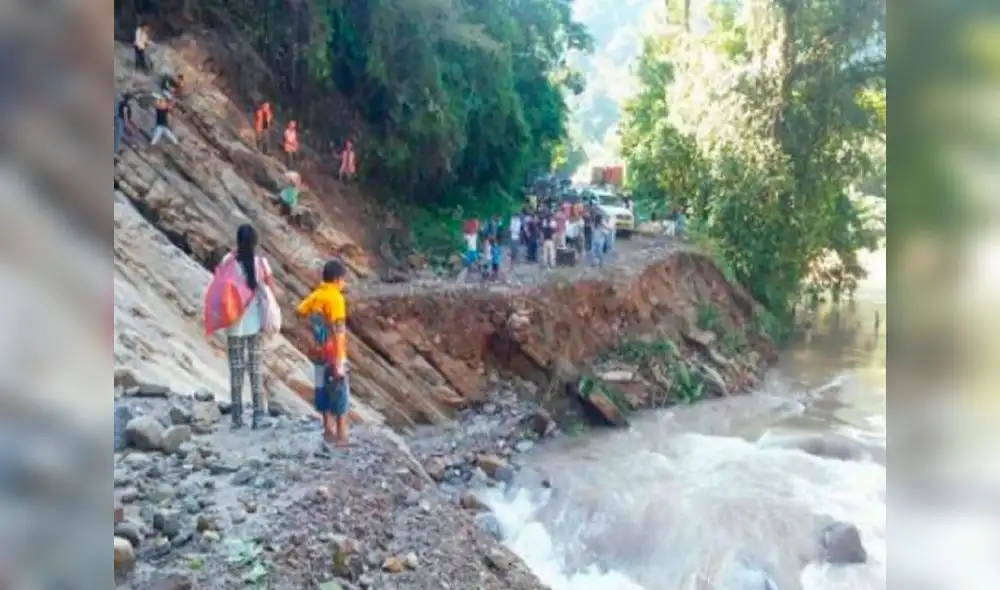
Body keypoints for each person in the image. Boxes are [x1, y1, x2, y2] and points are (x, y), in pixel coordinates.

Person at [224, 225, 276, 430]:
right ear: (255, 242)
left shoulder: (227, 261)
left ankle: (236, 417)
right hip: (255, 322)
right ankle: (258, 415)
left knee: (236, 369)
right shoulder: (261, 263)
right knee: (255, 368)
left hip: (232, 321)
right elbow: (272, 290)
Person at [297, 259, 351, 446]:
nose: (345, 284)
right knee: (340, 390)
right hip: (334, 351)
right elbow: (339, 330)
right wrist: (339, 359)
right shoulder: (336, 298)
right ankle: (342, 433)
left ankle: (327, 429)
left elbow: (301, 310)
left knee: (321, 388)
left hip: (319, 351)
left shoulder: (317, 295)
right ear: (337, 279)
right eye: (344, 280)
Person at [115, 92, 135, 157]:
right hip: (121, 121)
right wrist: (127, 124)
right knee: (118, 136)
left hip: (119, 120)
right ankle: (114, 152)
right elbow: (125, 113)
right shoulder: (125, 105)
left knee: (119, 135)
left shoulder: (121, 103)